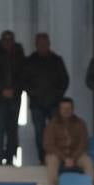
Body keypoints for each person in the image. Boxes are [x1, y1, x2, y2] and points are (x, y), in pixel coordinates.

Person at [23, 33, 69, 165]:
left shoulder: (57, 60)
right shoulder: (30, 61)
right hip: (37, 103)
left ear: (49, 44)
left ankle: (56, 158)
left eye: (45, 43)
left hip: (54, 103)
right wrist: (34, 93)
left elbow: (64, 80)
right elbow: (24, 81)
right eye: (40, 43)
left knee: (56, 132)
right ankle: (43, 158)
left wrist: (57, 95)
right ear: (36, 45)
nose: (42, 46)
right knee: (40, 132)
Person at [42, 97, 94, 185]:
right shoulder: (52, 124)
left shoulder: (80, 123)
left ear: (73, 109)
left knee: (88, 162)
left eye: (69, 108)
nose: (66, 111)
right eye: (63, 108)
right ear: (59, 109)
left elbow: (83, 143)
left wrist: (73, 158)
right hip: (58, 155)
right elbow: (48, 145)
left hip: (76, 155)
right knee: (52, 160)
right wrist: (64, 158)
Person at [0, 30, 26, 165]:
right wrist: (2, 89)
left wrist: (15, 90)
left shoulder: (20, 56)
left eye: (10, 39)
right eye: (5, 39)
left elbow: (23, 76)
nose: (7, 42)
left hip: (15, 96)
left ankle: (11, 157)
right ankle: (0, 157)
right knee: (1, 127)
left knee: (13, 127)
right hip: (0, 97)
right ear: (1, 41)